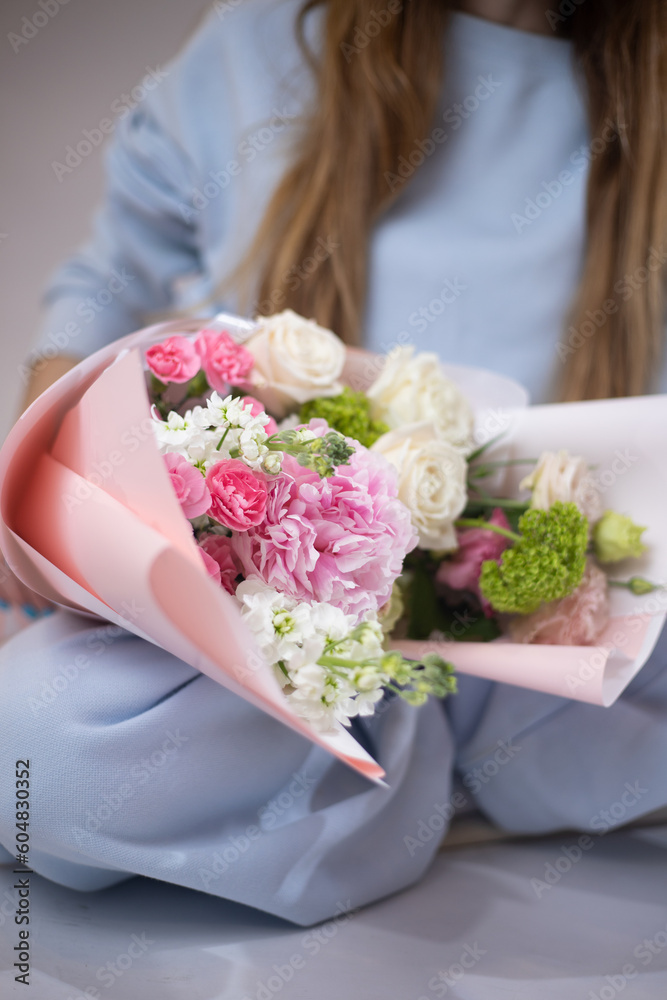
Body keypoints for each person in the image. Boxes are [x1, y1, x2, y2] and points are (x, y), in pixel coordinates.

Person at [1, 0, 666, 925]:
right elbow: (113, 268)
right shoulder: (264, 42)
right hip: (271, 630)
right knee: (35, 753)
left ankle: (424, 777)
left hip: (548, 633)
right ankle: (402, 777)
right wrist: (52, 469)